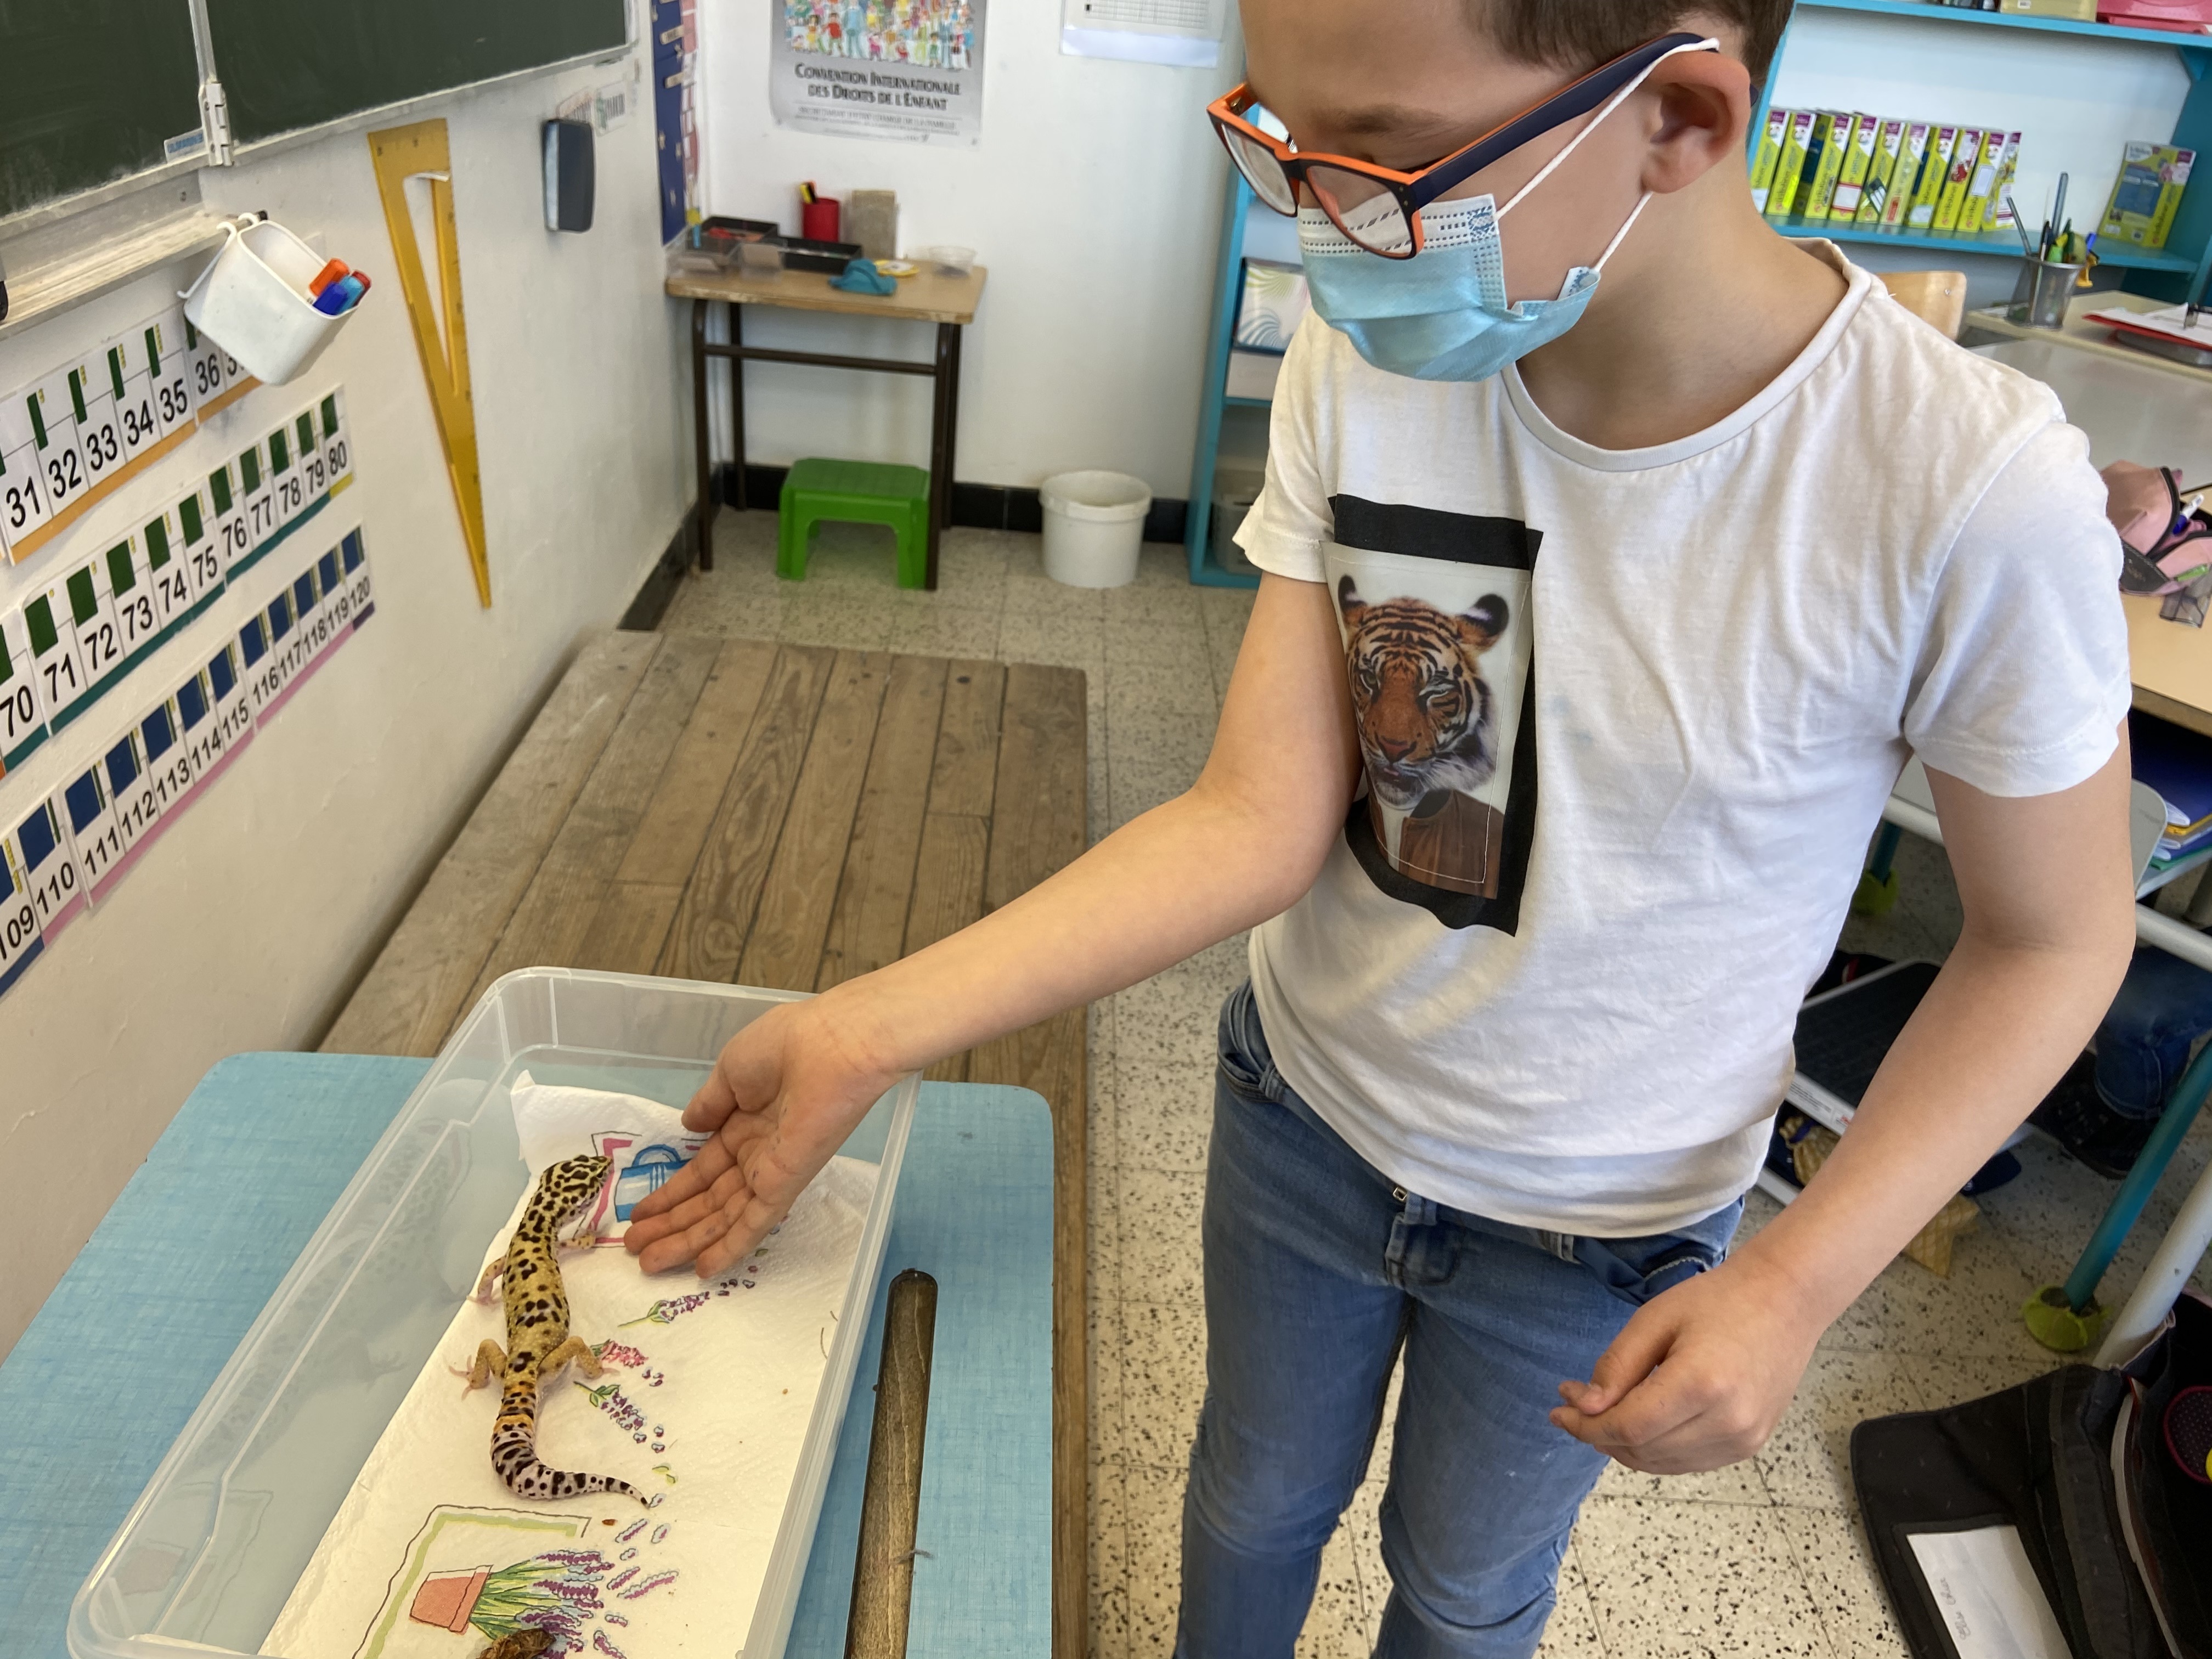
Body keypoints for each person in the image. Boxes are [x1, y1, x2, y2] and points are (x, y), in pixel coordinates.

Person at [627, 2, 2140, 1653]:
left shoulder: (1965, 488)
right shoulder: (1371, 361)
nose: (1326, 227)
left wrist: (1796, 1281)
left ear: (1681, 121)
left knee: (1466, 1590)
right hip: (1306, 1120)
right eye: (1288, 145)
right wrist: (864, 1030)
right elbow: (1255, 815)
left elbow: (2054, 939)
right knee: (1250, 1499)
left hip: (1603, 1226)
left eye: (1395, 162)